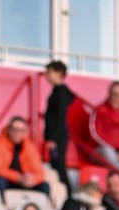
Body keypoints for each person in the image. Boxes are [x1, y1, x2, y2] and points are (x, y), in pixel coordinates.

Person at [0, 117, 50, 198]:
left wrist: (32, 179)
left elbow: (40, 172)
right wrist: (18, 177)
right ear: (9, 130)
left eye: (21, 130)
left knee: (44, 186)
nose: (17, 133)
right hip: (6, 181)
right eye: (15, 129)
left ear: (25, 132)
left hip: (23, 182)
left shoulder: (30, 147)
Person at [43, 60, 74, 193]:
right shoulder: (57, 91)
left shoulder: (61, 93)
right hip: (57, 136)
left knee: (58, 165)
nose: (47, 75)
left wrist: (53, 139)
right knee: (56, 165)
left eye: (50, 72)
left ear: (59, 73)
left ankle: (67, 193)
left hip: (58, 137)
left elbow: (60, 117)